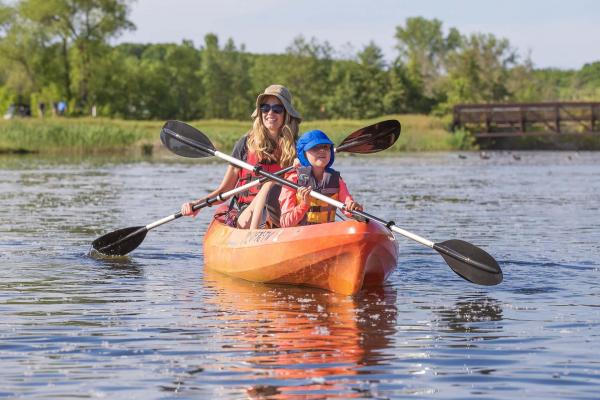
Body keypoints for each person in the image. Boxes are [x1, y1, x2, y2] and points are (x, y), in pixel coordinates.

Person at [181, 84, 301, 229]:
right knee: (268, 186)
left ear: (286, 114)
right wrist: (197, 204)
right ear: (260, 111)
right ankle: (253, 238)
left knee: (271, 187)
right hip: (247, 211)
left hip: (282, 211)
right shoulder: (245, 144)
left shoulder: (298, 147)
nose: (270, 113)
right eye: (265, 108)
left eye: (277, 109)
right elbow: (224, 191)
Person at [278, 129, 363, 228]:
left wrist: (355, 209)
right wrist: (304, 204)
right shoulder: (292, 180)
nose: (322, 150)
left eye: (326, 147)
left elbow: (348, 207)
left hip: (325, 234)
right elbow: (285, 223)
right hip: (299, 234)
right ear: (304, 154)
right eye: (315, 148)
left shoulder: (336, 180)